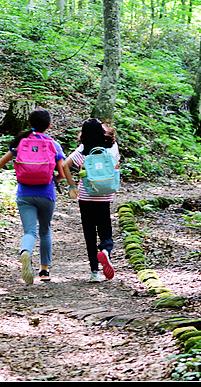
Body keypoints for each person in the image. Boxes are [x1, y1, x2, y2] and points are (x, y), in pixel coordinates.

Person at [0, 109, 66, 285]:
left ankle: (26, 251)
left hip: (25, 194)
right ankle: (44, 271)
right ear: (49, 125)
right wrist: (52, 179)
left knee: (29, 231)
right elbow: (62, 173)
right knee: (45, 231)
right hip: (46, 193)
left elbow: (1, 162)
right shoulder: (53, 144)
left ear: (30, 124)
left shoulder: (21, 142)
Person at [63, 118, 120, 283]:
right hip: (105, 194)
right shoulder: (111, 146)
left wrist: (72, 185)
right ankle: (105, 249)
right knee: (105, 228)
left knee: (89, 232)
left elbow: (65, 165)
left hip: (86, 194)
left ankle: (94, 272)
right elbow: (115, 164)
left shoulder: (82, 150)